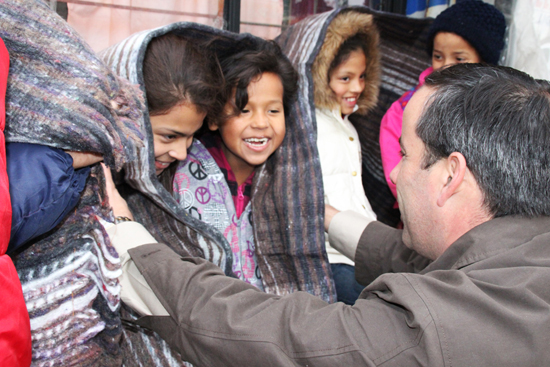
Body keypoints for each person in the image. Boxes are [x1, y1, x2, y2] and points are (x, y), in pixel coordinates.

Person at [108, 63, 550, 366]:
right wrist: (318, 213)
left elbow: (278, 339)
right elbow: (402, 255)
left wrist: (128, 240)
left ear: (451, 174)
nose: (393, 171)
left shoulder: (431, 334)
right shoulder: (523, 257)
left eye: (404, 154)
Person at [172, 42, 298, 289]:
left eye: (273, 110)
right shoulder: (182, 170)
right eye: (244, 110)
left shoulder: (286, 178)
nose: (261, 123)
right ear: (214, 117)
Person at [280, 9, 380, 304]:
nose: (357, 87)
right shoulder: (306, 128)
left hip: (358, 251)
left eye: (362, 76)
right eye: (345, 78)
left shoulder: (347, 126)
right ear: (320, 77)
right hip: (331, 258)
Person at [379, 0, 506, 200]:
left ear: (484, 61)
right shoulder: (408, 107)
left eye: (459, 59)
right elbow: (393, 162)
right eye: (438, 56)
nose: (446, 66)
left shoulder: (497, 109)